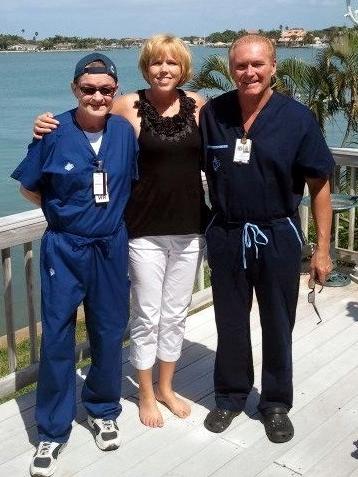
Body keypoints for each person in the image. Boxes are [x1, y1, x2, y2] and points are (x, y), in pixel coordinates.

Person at [33, 34, 208, 429]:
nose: (164, 70)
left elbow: (224, 147)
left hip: (189, 226)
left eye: (172, 63)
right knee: (145, 314)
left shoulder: (199, 105)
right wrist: (47, 124)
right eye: (156, 63)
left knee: (174, 314)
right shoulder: (127, 105)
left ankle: (165, 386)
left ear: (183, 67)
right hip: (140, 228)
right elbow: (87, 117)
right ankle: (144, 392)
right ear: (145, 68)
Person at [200, 34, 334, 442]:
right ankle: (230, 395)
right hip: (226, 232)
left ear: (273, 66)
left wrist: (322, 249)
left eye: (257, 64)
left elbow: (320, 184)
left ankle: (275, 402)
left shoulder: (296, 118)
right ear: (230, 69)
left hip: (277, 233)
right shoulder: (213, 113)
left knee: (278, 322)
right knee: (230, 321)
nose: (249, 72)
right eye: (240, 65)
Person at [12, 53, 138, 476]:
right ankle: (51, 430)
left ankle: (103, 409)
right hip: (65, 248)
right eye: (89, 89)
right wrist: (64, 212)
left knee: (108, 331)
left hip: (110, 246)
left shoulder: (124, 133)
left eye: (106, 90)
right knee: (58, 338)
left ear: (115, 92)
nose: (97, 96)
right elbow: (30, 187)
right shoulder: (52, 131)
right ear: (74, 90)